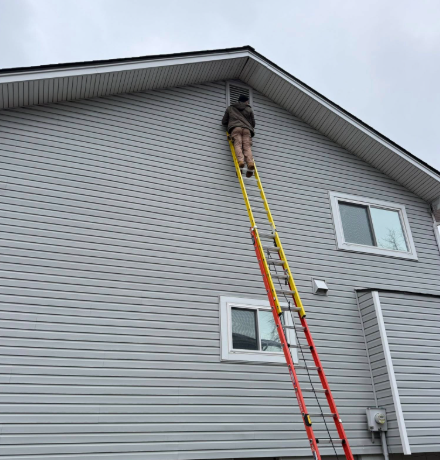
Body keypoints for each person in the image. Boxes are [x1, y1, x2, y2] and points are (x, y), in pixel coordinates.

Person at [222, 94, 256, 177]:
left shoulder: (230, 108)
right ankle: (250, 163)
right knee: (247, 147)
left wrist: (230, 125)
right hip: (247, 130)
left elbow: (224, 121)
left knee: (238, 145)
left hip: (235, 128)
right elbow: (253, 123)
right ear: (245, 101)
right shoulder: (249, 109)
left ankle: (240, 161)